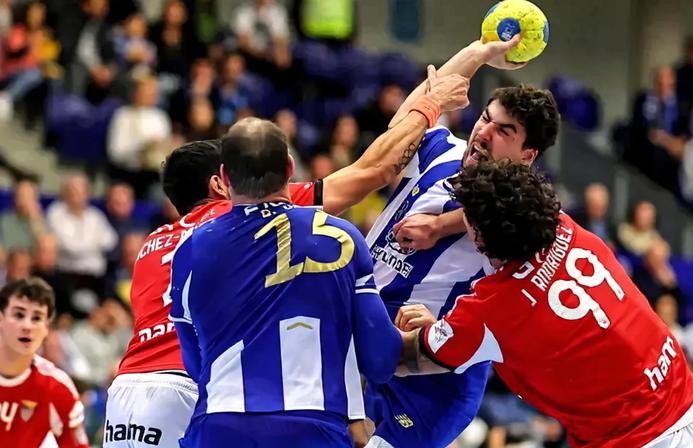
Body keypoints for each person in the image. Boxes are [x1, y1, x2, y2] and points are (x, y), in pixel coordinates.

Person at [105, 62, 470, 447]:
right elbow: (376, 169)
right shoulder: (257, 214)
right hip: (207, 394)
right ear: (223, 183)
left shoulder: (155, 245)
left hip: (129, 390)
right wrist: (432, 105)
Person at [395, 161, 693, 447]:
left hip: (639, 439)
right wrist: (440, 225)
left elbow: (404, 359)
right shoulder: (567, 228)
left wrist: (430, 328)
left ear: (482, 236)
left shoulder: (489, 310)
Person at [363, 38, 557, 448]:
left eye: (504, 131)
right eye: (484, 119)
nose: (483, 134)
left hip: (429, 381)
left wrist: (439, 225)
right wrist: (478, 53)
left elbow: (494, 207)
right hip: (359, 342)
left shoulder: (519, 219)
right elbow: (402, 126)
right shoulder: (443, 152)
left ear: (528, 155)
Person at [168, 119, 401, 446]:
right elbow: (381, 361)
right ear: (291, 167)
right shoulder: (340, 237)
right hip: (312, 428)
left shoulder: (191, 248)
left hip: (220, 426)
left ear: (224, 177)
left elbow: (194, 364)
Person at [0, 277, 89, 448]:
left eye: (37, 318)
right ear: (1, 319)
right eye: (19, 314)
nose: (27, 326)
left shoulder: (56, 388)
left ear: (46, 328)